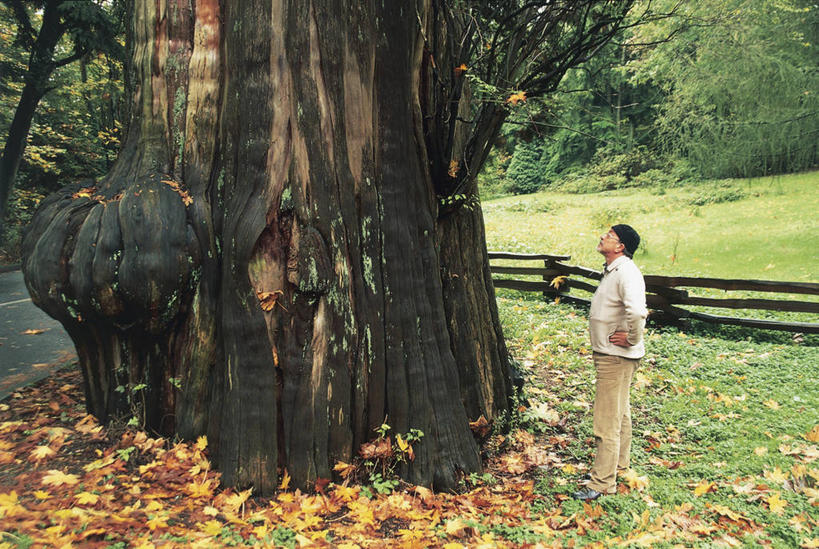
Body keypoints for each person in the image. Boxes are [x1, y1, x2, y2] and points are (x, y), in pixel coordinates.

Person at [574, 224, 647, 501]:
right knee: (620, 413)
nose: (603, 236)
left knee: (606, 420)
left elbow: (638, 312)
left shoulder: (626, 271)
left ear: (620, 247)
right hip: (613, 355)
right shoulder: (614, 270)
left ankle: (602, 483)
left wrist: (631, 338)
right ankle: (619, 467)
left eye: (610, 235)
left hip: (615, 357)